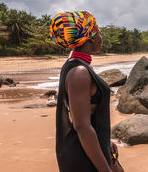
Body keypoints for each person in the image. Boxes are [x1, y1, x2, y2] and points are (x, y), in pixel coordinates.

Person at [50, 11, 123, 172]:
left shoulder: (76, 64)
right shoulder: (79, 72)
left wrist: (106, 141)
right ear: (89, 35)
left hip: (88, 150)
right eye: (99, 31)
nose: (101, 37)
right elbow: (82, 127)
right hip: (83, 158)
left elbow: (88, 113)